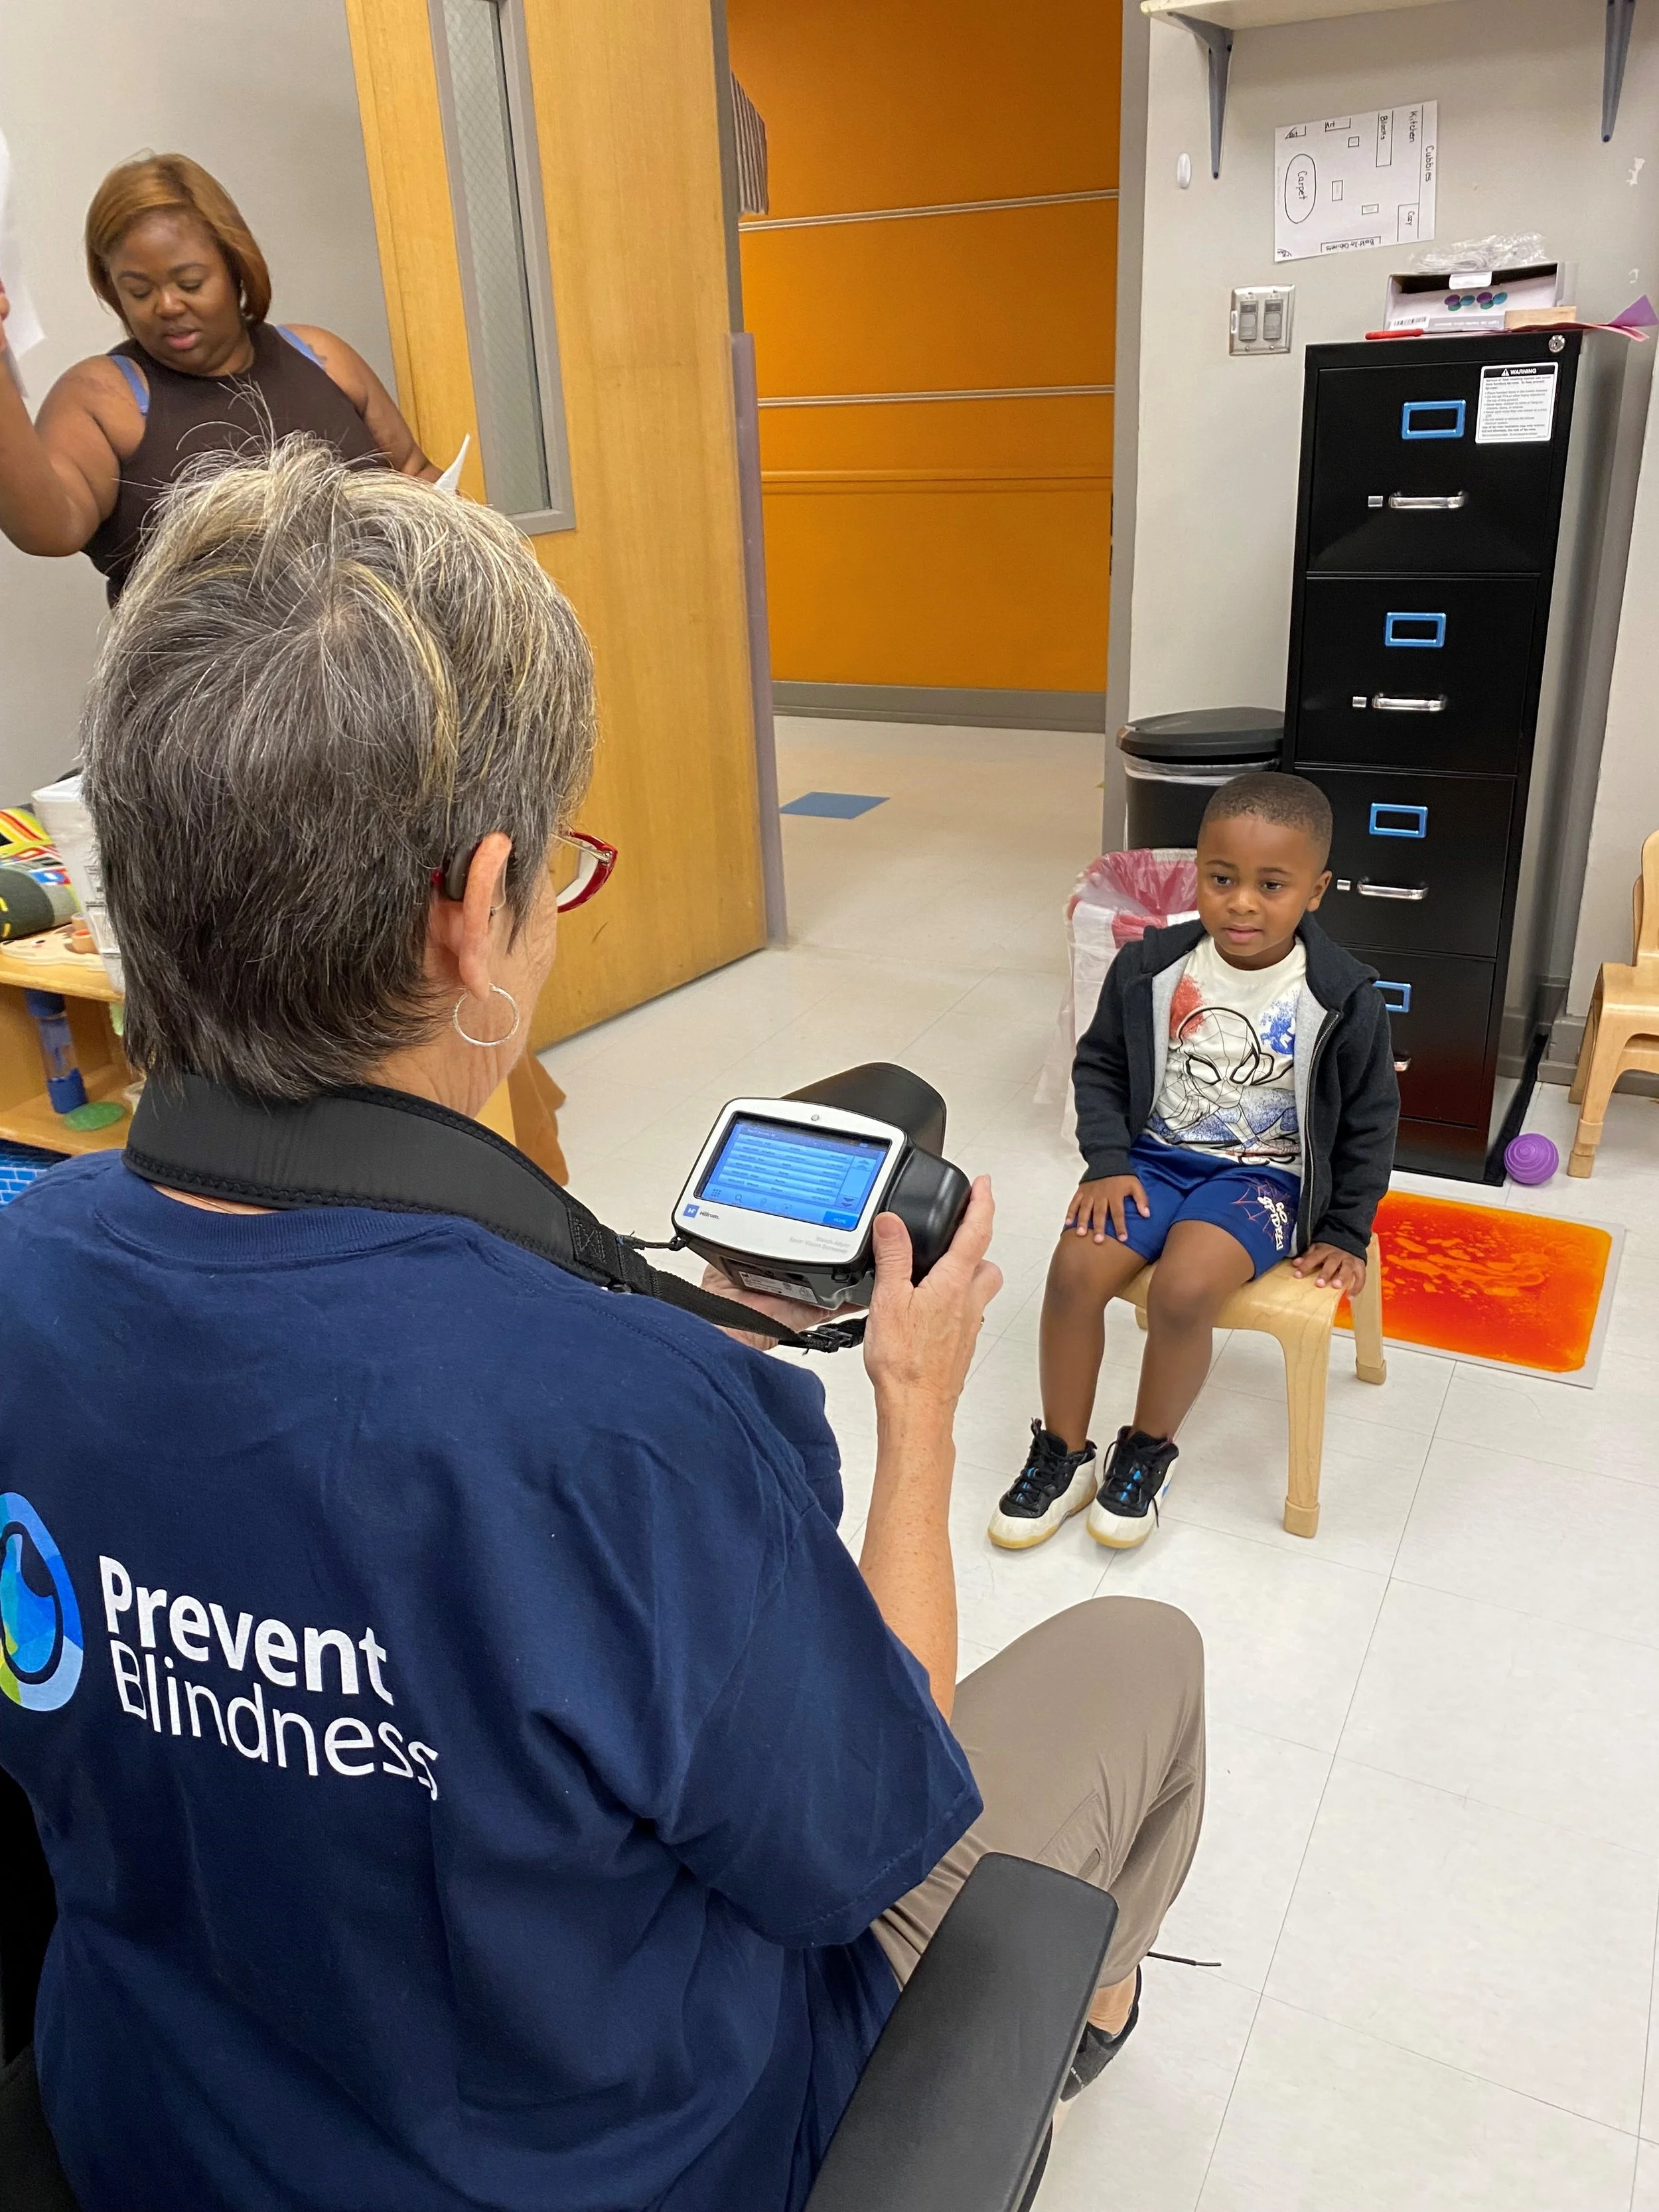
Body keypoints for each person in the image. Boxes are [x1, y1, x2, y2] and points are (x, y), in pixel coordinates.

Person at [0, 441, 1204, 2212]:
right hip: (609, 2161)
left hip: (157, 2120)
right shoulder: (631, 1426)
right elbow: (872, 1812)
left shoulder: (30, 1264)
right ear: (474, 909)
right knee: (1142, 1662)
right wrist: (921, 1412)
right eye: (556, 872)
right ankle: (1040, 2029)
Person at [990, 773, 1399, 1554]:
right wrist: (1106, 1161)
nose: (1242, 902)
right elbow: (1101, 1068)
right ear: (1198, 876)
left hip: (1264, 1180)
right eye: (1221, 878)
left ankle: (1144, 1453)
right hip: (1150, 1162)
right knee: (1075, 1271)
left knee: (1183, 1290)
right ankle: (1064, 1455)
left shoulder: (1344, 998)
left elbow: (1371, 1124)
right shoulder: (1150, 969)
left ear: (1315, 891)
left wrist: (1347, 1231)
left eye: (1270, 885)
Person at [0, 152, 433, 601]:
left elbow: (416, 474)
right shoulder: (102, 398)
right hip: (215, 670)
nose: (167, 306)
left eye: (189, 283)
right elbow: (48, 528)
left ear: (236, 267)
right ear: (112, 290)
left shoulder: (322, 357)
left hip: (382, 655)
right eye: (139, 291)